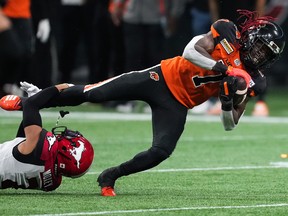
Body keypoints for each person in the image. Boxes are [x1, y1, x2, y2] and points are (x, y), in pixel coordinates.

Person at [11, 10, 285, 196]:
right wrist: (223, 69)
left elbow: (230, 125)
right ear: (251, 37)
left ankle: (111, 175)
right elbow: (189, 51)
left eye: (266, 55)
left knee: (161, 150)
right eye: (260, 47)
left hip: (178, 104)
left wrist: (227, 102)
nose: (259, 56)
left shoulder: (252, 80)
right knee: (94, 93)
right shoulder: (227, 33)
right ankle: (36, 98)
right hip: (159, 77)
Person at [0, 84, 94, 191]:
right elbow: (20, 143)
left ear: (67, 151)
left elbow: (31, 105)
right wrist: (34, 100)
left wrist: (62, 87)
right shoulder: (52, 182)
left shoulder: (40, 150)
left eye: (72, 140)